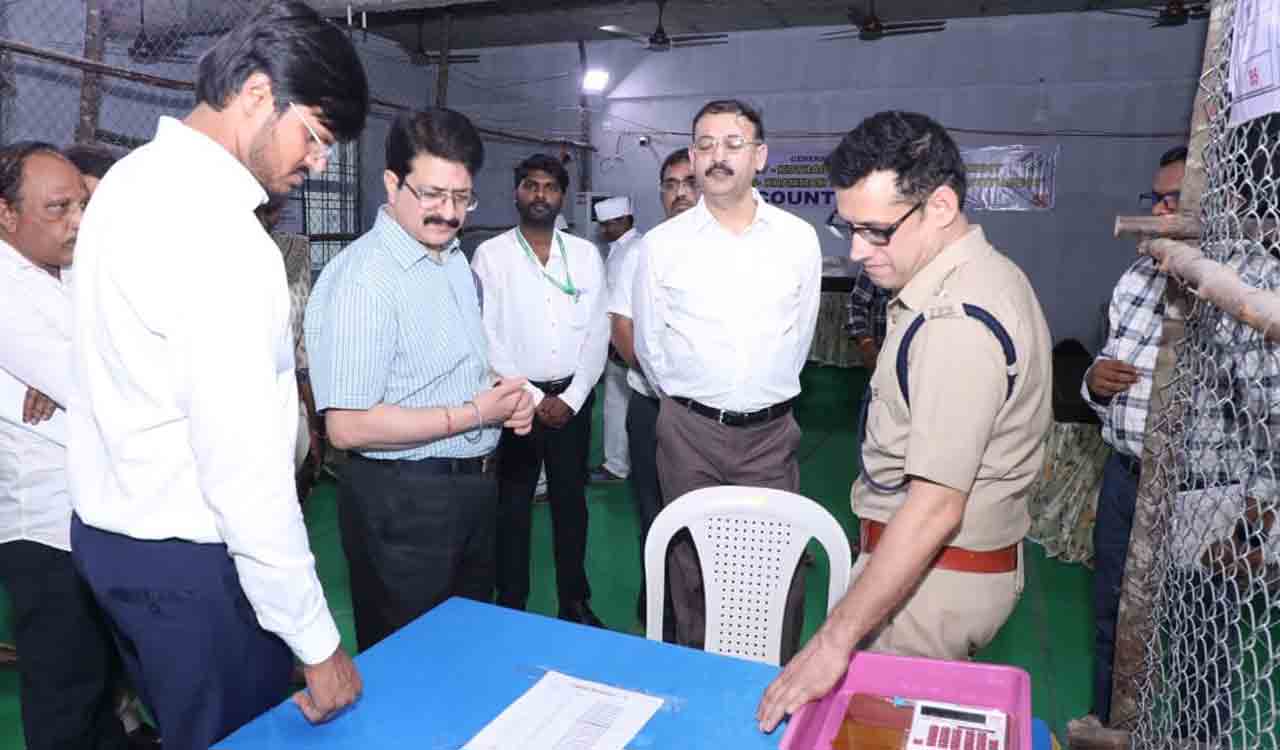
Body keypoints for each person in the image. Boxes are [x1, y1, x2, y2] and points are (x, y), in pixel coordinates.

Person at [66, 3, 370, 745]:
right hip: (195, 563)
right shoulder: (222, 236)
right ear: (260, 95)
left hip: (113, 539)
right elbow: (242, 472)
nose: (318, 162)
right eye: (317, 137)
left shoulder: (128, 183)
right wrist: (317, 643)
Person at [756, 111, 1052, 732]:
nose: (857, 249)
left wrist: (834, 640)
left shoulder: (957, 323)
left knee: (879, 731)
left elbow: (937, 506)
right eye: (848, 226)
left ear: (940, 206)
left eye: (876, 230)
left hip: (930, 584)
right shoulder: (979, 275)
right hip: (935, 572)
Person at [306, 108, 534, 651]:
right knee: (411, 665)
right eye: (432, 194)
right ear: (392, 182)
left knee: (466, 655)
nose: (448, 213)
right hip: (404, 504)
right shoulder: (366, 280)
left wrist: (505, 397)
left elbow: (451, 368)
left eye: (461, 197)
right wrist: (479, 413)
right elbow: (348, 426)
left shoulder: (451, 259)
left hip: (471, 490)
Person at [632, 100, 822, 660]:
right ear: (692, 156)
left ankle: (770, 684)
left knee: (775, 564)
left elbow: (801, 335)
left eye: (733, 144)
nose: (718, 157)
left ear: (759, 156)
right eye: (706, 145)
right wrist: (694, 403)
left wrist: (753, 399)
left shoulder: (796, 240)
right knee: (692, 567)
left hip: (768, 436)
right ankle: (701, 681)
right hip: (688, 434)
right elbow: (650, 345)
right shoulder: (662, 245)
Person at [0, 142, 132, 750]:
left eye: (82, 206)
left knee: (100, 685)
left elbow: (122, 343)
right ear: (7, 214)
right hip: (45, 529)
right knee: (63, 694)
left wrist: (82, 372)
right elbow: (107, 383)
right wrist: (84, 375)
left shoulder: (73, 265)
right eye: (59, 209)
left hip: (98, 510)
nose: (77, 222)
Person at [471, 154, 609, 626]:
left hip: (573, 401)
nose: (539, 195)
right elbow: (485, 334)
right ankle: (511, 605)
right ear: (516, 192)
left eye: (549, 187)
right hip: (514, 403)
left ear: (561, 196)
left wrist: (570, 399)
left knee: (572, 505)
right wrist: (529, 394)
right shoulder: (491, 255)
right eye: (530, 185)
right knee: (513, 508)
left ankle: (575, 601)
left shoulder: (585, 255)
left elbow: (598, 330)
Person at [1081, 144, 1185, 727]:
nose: (1161, 210)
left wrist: (1261, 505)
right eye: (1157, 198)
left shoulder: (1250, 285)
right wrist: (1094, 381)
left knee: (1200, 635)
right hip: (1125, 476)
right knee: (1113, 622)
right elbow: (1100, 373)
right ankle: (1107, 725)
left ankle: (1199, 737)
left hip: (1199, 494)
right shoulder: (1140, 274)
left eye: (1176, 199)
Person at [609, 147, 698, 626]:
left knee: (709, 518)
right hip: (653, 407)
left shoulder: (727, 249)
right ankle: (658, 611)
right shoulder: (641, 251)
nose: (680, 192)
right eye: (670, 183)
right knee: (654, 511)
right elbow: (621, 325)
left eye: (690, 182)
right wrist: (666, 388)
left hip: (709, 416)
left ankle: (704, 615)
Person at [257, 195, 323, 504]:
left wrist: (311, 416)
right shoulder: (215, 250)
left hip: (282, 396)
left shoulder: (294, 249)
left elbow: (300, 345)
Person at [591, 195, 639, 484]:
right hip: (619, 339)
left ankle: (617, 465)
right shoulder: (621, 248)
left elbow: (621, 305)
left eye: (609, 225)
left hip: (621, 341)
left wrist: (616, 343)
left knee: (617, 404)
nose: (604, 230)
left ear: (624, 221)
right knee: (622, 404)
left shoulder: (629, 251)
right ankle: (623, 460)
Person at [845, 264, 890, 372]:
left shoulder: (930, 262)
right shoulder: (877, 261)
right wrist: (866, 342)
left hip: (923, 354)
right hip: (882, 355)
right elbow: (857, 304)